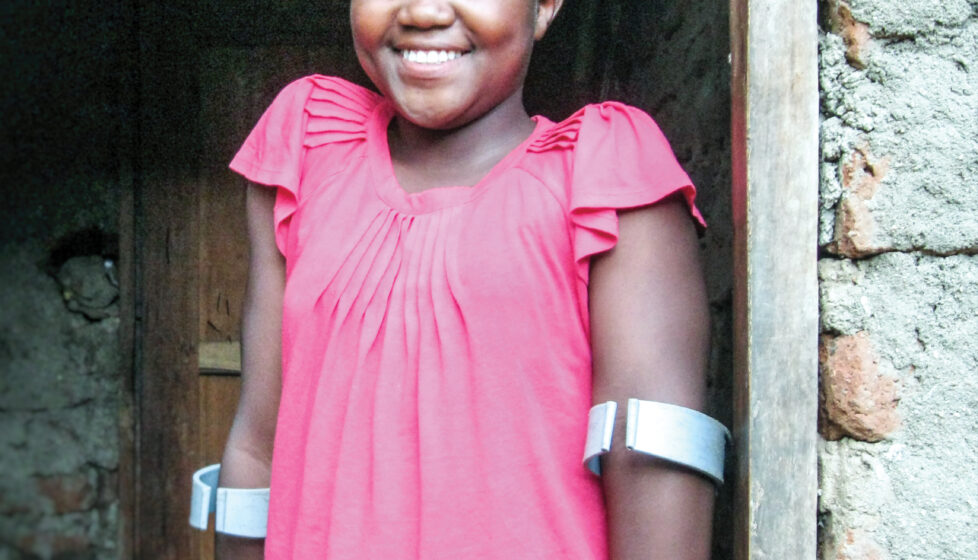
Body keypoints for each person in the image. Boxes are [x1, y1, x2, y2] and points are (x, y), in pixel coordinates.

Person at [215, 0, 718, 558]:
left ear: (546, 6)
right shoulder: (311, 147)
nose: (424, 12)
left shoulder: (602, 176)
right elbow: (257, 449)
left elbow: (652, 461)